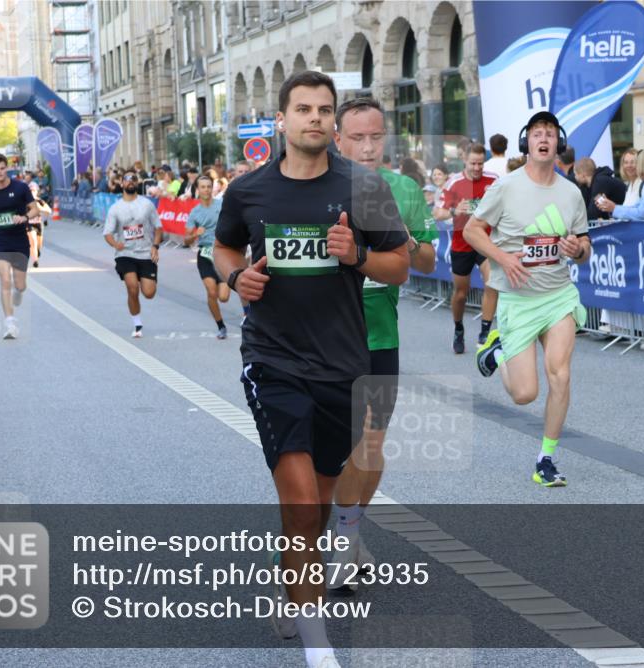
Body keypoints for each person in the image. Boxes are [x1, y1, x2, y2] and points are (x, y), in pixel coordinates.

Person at [213, 71, 408, 668]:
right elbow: (224, 247)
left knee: (319, 503)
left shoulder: (365, 186)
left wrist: (360, 257)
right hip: (272, 360)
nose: (316, 119)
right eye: (304, 109)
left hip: (343, 367)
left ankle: (291, 584)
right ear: (282, 120)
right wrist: (233, 276)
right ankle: (317, 644)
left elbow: (399, 265)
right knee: (300, 501)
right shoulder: (248, 192)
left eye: (325, 109)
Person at [329, 96, 437, 591]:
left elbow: (428, 262)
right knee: (326, 455)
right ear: (338, 139)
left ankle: (347, 536)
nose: (369, 147)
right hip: (323, 336)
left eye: (376, 137)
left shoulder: (404, 188)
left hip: (379, 335)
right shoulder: (315, 186)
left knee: (371, 445)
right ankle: (327, 537)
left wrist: (403, 239)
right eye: (358, 138)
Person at [466, 110, 591, 487]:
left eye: (550, 134)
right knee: (524, 394)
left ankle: (546, 459)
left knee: (561, 375)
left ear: (558, 143)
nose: (544, 138)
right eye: (537, 132)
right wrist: (503, 258)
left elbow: (584, 244)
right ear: (527, 142)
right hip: (518, 299)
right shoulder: (506, 187)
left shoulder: (571, 192)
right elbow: (473, 230)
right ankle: (498, 350)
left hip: (557, 296)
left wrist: (576, 249)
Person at [432, 144, 499, 351]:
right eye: (473, 163)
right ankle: (458, 328)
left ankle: (485, 332)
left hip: (485, 242)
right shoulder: (454, 182)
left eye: (480, 163)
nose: (477, 168)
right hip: (462, 243)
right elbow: (437, 213)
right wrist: (454, 211)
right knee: (461, 293)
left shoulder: (494, 180)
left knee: (492, 283)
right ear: (464, 161)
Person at [0, 153, 38, 340]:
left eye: (2, 168)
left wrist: (25, 217)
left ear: (7, 168)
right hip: (1, 242)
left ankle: (19, 292)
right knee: (5, 281)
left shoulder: (20, 187)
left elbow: (34, 208)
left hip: (20, 241)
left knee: (20, 285)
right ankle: (10, 324)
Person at [103, 172, 163, 338]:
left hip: (145, 253)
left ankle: (142, 280)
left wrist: (155, 246)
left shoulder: (147, 205)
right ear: (122, 184)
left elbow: (158, 227)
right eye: (127, 180)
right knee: (132, 287)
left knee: (149, 293)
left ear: (137, 184)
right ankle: (137, 324)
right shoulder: (115, 208)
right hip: (125, 253)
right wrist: (116, 244)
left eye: (133, 180)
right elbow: (107, 233)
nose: (130, 183)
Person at [184, 175, 229, 339]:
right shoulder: (195, 212)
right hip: (205, 254)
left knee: (223, 297)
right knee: (211, 293)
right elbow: (186, 239)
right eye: (203, 187)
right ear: (198, 190)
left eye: (209, 186)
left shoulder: (222, 205)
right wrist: (196, 234)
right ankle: (221, 326)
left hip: (222, 252)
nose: (206, 190)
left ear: (212, 188)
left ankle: (223, 288)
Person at [26, 181, 51, 268]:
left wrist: (41, 208)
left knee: (38, 245)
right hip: (29, 224)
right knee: (33, 241)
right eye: (30, 190)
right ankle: (35, 261)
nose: (32, 192)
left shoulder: (40, 201)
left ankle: (37, 251)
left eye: (34, 190)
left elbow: (49, 210)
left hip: (38, 224)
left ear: (37, 191)